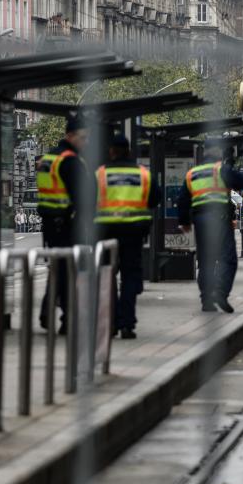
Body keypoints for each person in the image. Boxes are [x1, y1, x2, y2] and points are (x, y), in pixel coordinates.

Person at [95, 134, 161, 339]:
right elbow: (155, 199)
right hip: (133, 232)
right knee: (130, 276)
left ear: (111, 151)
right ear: (129, 150)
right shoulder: (143, 174)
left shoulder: (101, 174)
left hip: (106, 232)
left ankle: (111, 322)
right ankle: (127, 324)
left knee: (106, 276)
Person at [36, 115, 92, 334]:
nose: (85, 142)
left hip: (50, 223)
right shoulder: (70, 161)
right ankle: (67, 319)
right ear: (70, 136)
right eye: (83, 138)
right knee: (69, 271)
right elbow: (82, 196)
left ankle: (47, 313)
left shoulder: (48, 158)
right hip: (66, 223)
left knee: (58, 269)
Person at [177, 145, 243, 313]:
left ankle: (206, 301)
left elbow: (182, 199)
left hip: (200, 220)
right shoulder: (220, 169)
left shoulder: (192, 174)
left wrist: (184, 222)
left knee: (205, 261)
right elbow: (242, 181)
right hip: (219, 219)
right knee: (228, 258)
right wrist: (230, 166)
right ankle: (221, 293)